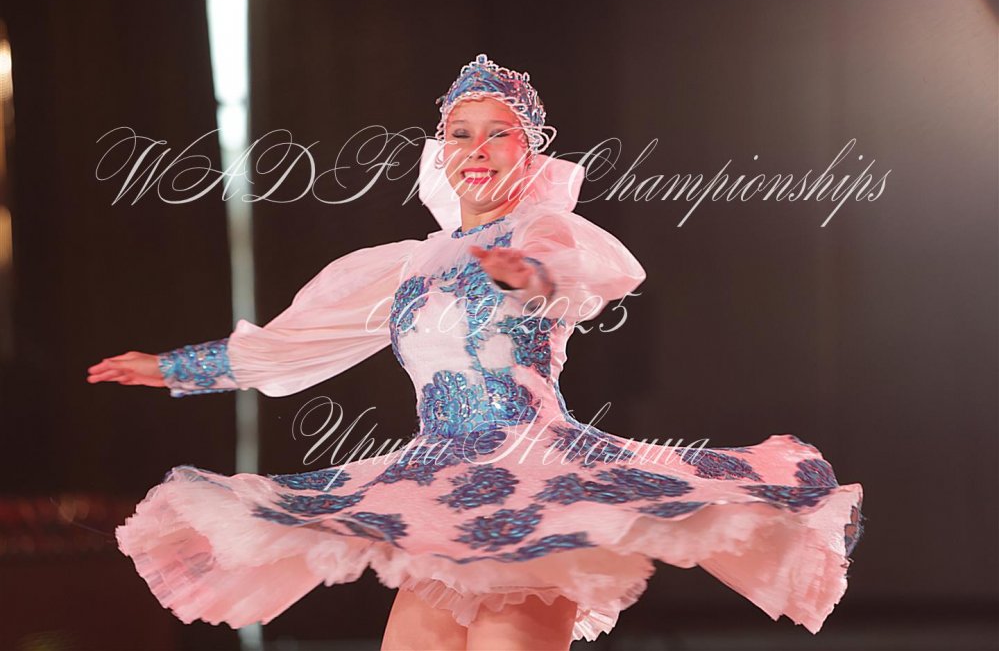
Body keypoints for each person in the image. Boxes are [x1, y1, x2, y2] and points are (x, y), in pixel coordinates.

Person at [88, 54, 865, 651]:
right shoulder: (405, 265)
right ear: (441, 152)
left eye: (500, 133)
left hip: (532, 480)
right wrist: (170, 369)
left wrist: (525, 275)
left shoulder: (539, 231)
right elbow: (293, 343)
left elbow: (573, 276)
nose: (478, 148)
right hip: (435, 487)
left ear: (529, 153)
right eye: (462, 133)